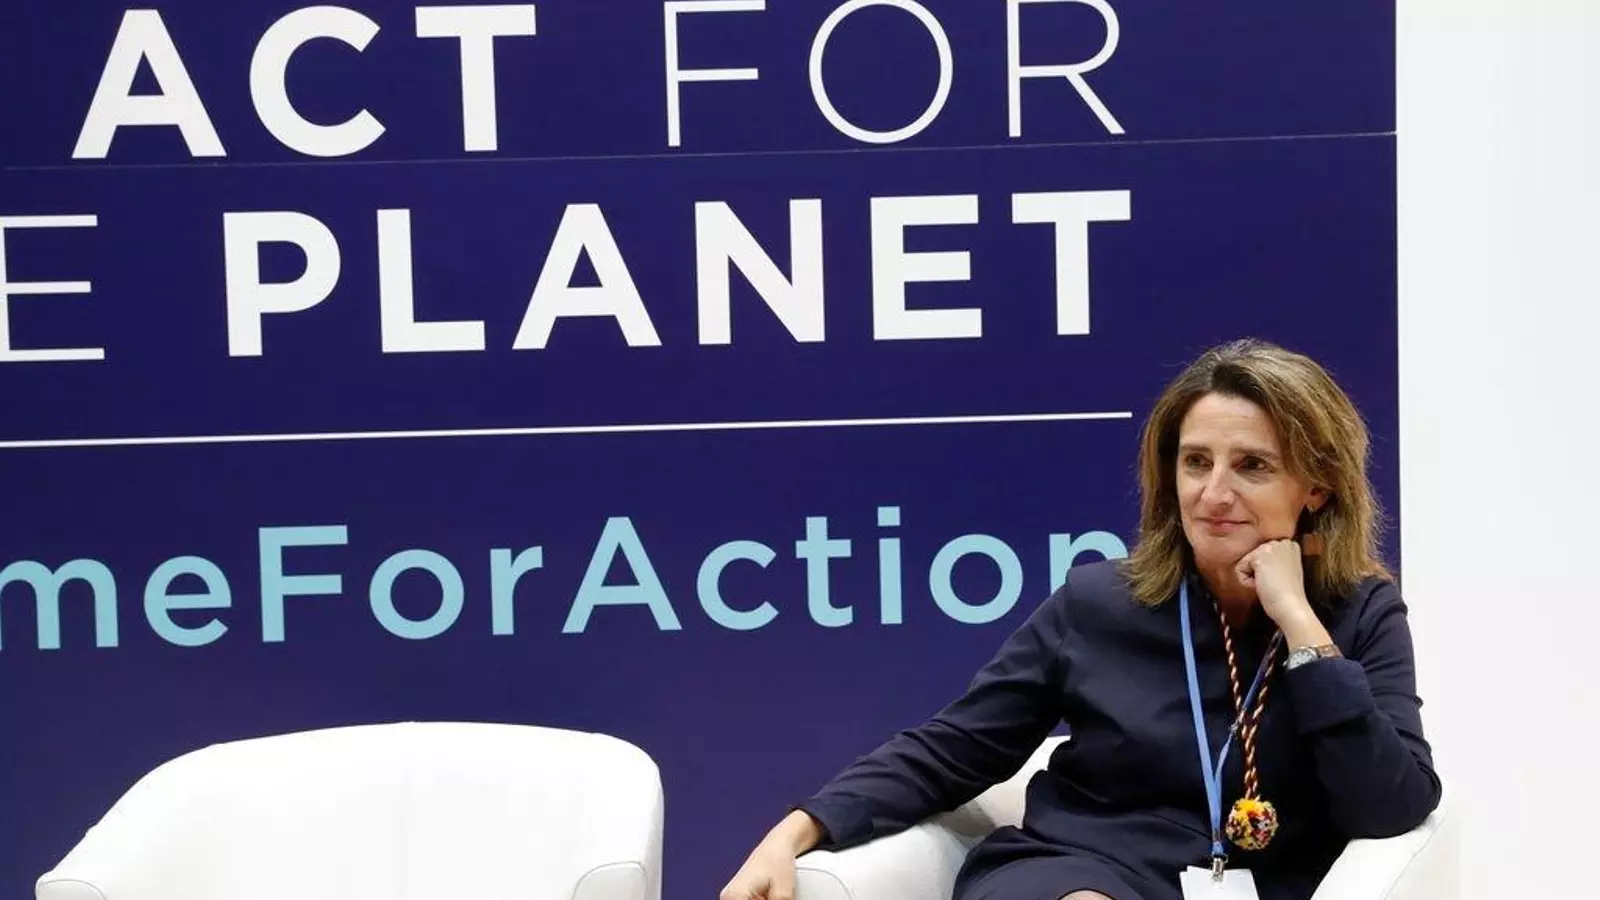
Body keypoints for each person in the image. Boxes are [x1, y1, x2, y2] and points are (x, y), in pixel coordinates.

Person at [719, 339, 1441, 900]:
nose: (1214, 493)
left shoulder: (1361, 615)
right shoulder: (1098, 603)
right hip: (1081, 870)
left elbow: (1392, 804)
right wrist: (796, 830)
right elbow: (954, 747)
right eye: (1195, 462)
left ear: (1316, 487)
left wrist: (1300, 625)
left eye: (1252, 466)